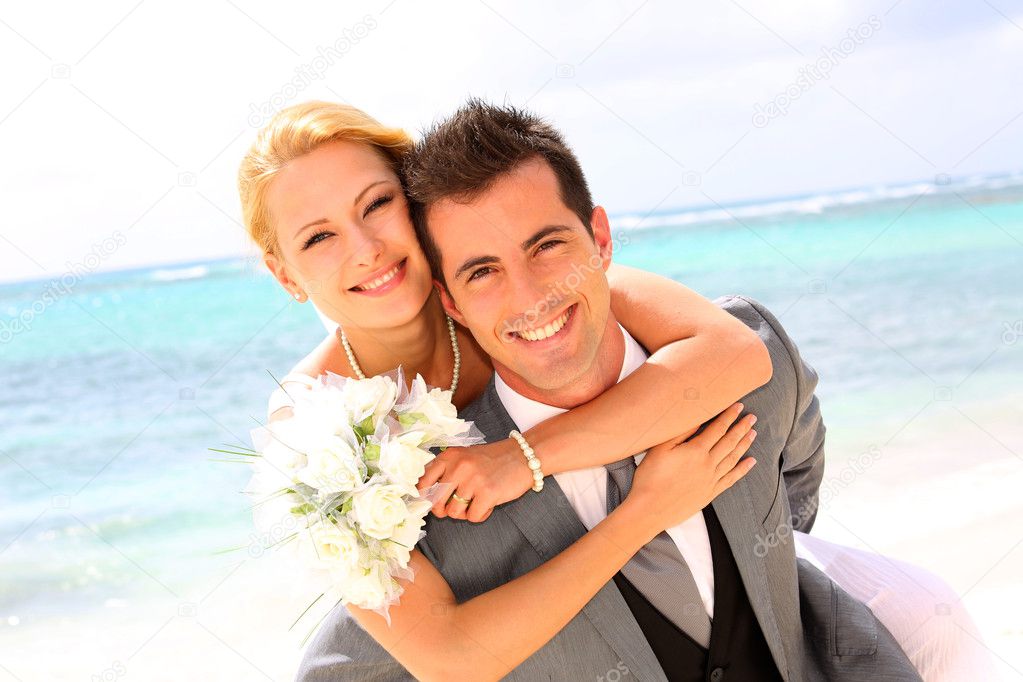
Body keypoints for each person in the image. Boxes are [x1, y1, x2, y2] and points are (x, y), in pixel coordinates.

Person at [238, 100, 990, 681]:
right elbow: (449, 658)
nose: (366, 247)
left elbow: (735, 354)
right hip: (415, 655)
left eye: (375, 205)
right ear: (283, 274)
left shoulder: (526, 296)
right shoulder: (318, 441)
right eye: (318, 236)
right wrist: (645, 513)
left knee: (926, 614)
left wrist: (523, 459)